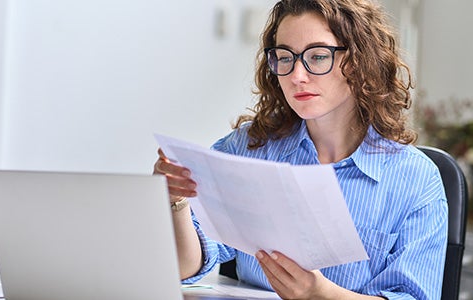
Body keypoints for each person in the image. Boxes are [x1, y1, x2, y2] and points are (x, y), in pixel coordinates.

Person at [153, 0, 448, 299]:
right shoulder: (248, 147)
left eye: (318, 56)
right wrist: (177, 202)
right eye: (284, 57)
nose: (296, 76)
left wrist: (319, 294)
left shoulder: (417, 180)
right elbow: (186, 268)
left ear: (359, 61)